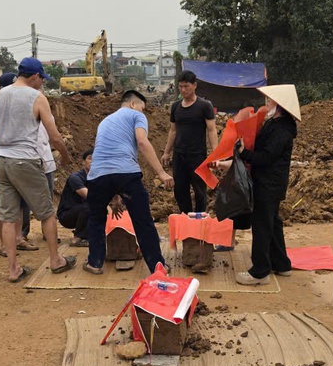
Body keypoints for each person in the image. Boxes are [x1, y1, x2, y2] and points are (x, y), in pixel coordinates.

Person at [0, 57, 75, 282]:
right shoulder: (36, 98)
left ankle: (13, 269)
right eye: (42, 78)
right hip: (26, 159)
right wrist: (66, 156)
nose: (43, 83)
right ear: (34, 76)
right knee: (46, 212)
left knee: (9, 217)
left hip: (2, 161)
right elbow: (54, 136)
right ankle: (55, 260)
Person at [213, 85, 300, 286]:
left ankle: (260, 271)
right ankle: (282, 264)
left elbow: (266, 157)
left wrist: (244, 153)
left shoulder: (282, 128)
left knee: (262, 225)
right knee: (273, 224)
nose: (267, 103)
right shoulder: (276, 124)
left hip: (269, 184)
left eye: (270, 101)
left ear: (279, 105)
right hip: (269, 182)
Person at [84, 89, 173, 275]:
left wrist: (115, 197)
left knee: (96, 219)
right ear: (133, 104)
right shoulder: (135, 115)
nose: (143, 112)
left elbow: (108, 158)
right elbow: (142, 142)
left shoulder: (105, 122)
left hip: (97, 175)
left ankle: (94, 262)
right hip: (126, 173)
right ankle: (158, 266)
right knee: (142, 221)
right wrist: (161, 173)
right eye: (143, 108)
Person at [0, 72, 32, 255]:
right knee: (3, 206)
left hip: (17, 162)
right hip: (3, 164)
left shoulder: (12, 105)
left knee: (19, 202)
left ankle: (18, 238)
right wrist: (0, 157)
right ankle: (4, 244)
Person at [161, 71, 218, 214]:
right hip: (179, 155)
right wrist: (167, 152)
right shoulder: (175, 107)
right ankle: (185, 217)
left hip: (197, 155)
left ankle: (199, 219)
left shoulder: (204, 106)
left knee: (199, 189)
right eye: (180, 87)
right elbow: (173, 130)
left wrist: (215, 154)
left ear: (194, 85)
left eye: (186, 86)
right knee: (180, 189)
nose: (183, 90)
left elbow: (211, 130)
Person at [57, 148, 93, 246]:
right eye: (90, 158)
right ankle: (78, 238)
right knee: (91, 205)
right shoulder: (75, 178)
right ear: (83, 162)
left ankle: (89, 234)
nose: (93, 161)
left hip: (82, 212)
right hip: (67, 216)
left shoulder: (96, 178)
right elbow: (89, 195)